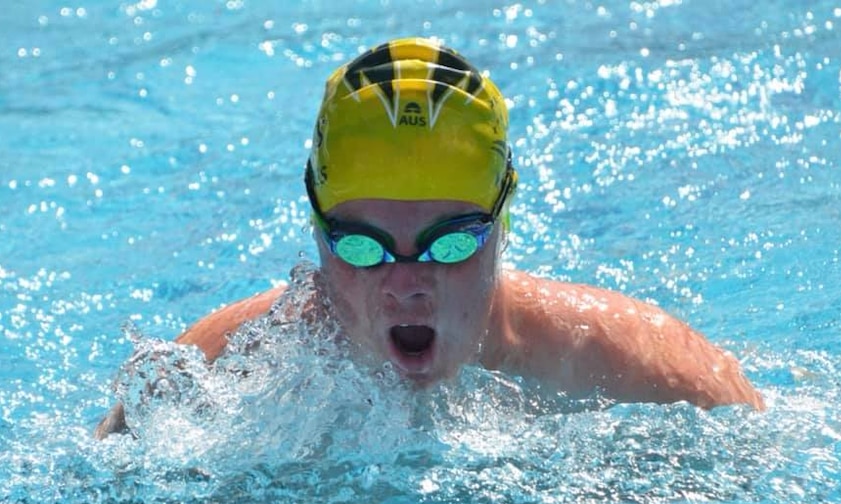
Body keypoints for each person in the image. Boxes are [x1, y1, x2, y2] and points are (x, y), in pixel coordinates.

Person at [95, 37, 763, 438]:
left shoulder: (642, 370)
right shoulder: (215, 374)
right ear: (319, 234)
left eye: (449, 245)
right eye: (363, 246)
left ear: (501, 225)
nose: (408, 284)